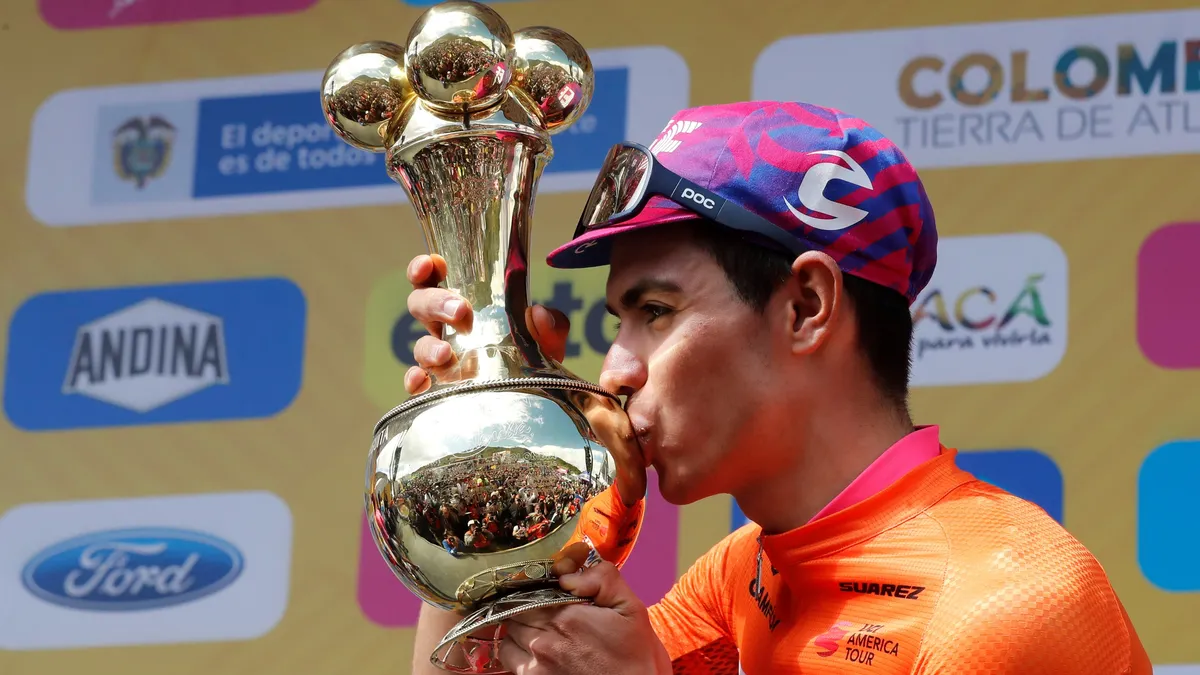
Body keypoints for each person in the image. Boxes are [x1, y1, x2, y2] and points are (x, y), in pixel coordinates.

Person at [402, 101, 1152, 674]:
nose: (615, 372)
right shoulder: (745, 570)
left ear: (806, 307)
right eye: (617, 323)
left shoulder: (1002, 606)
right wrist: (488, 429)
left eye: (655, 312)